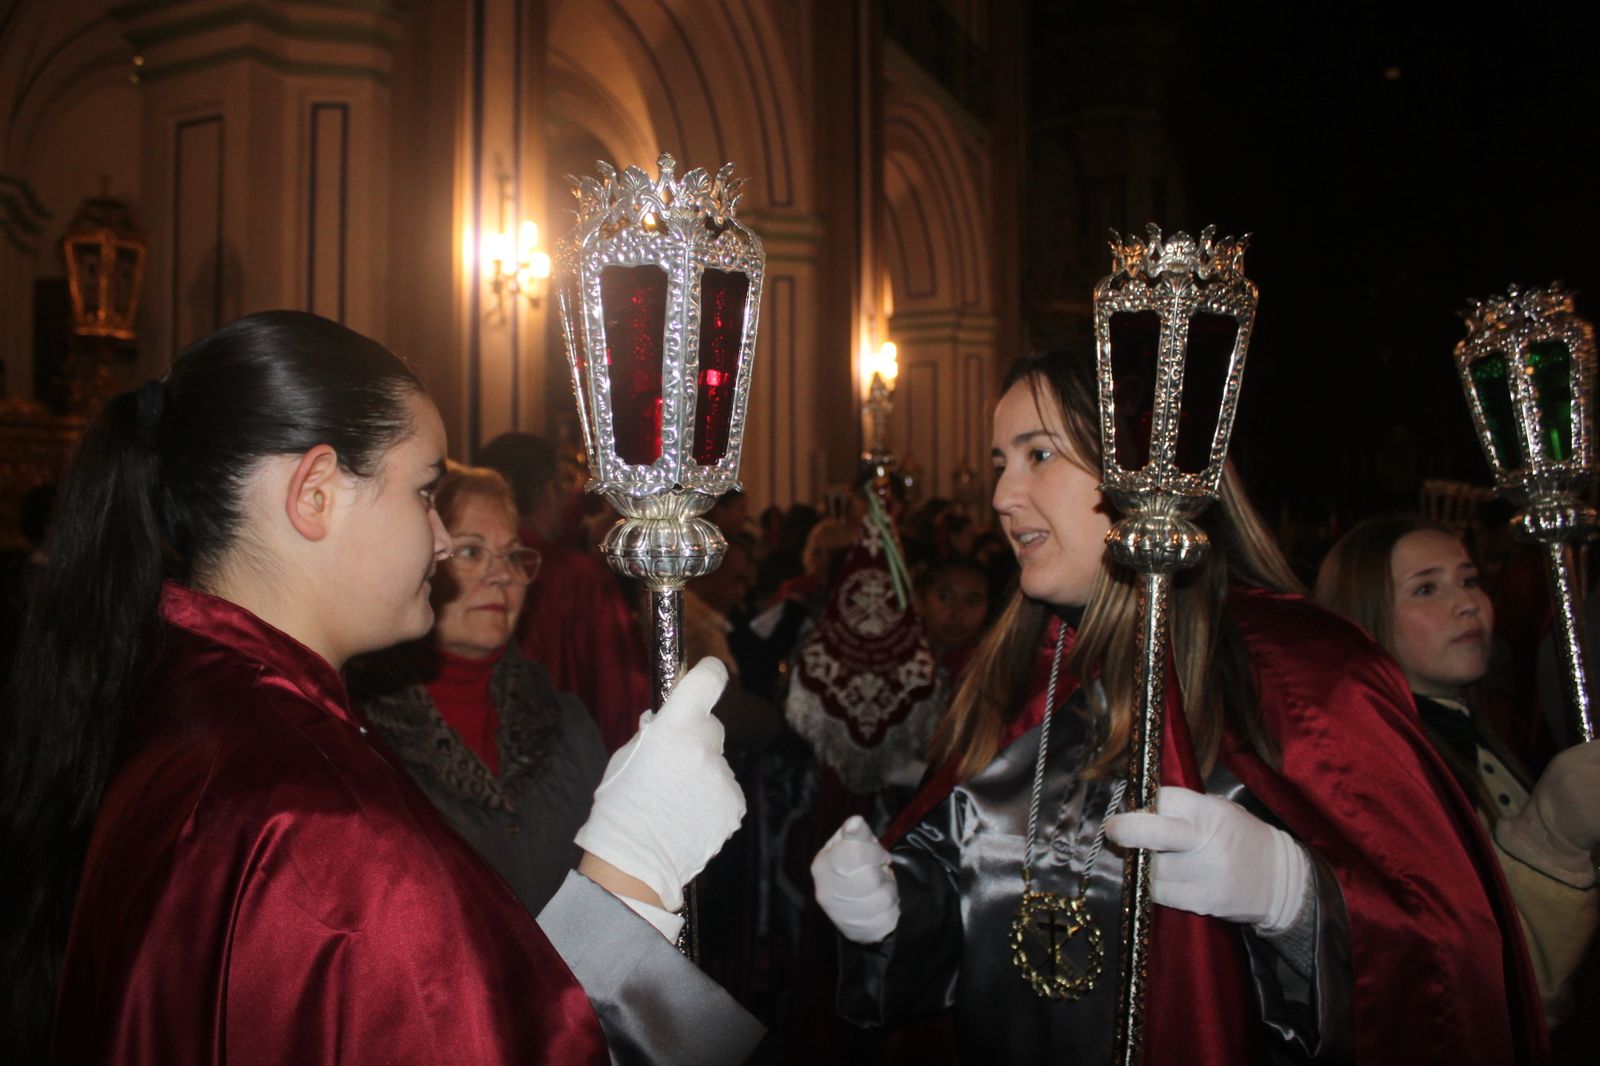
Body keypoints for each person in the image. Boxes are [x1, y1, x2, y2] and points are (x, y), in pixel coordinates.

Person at [0, 311, 751, 1064]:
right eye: (425, 490)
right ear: (317, 492)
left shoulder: (178, 694)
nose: (436, 539)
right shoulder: (320, 818)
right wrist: (629, 874)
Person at [810, 348, 1545, 1064]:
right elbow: (973, 902)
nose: (1002, 496)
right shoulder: (1024, 672)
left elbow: (1448, 965)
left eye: (1038, 455)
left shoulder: (1305, 674)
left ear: (1143, 466)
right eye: (1001, 462)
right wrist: (899, 912)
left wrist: (1297, 902)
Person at [1316, 515, 1599, 1026]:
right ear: (1364, 618)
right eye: (1426, 588)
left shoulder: (1483, 734)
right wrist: (1552, 840)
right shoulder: (1384, 777)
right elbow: (1460, 983)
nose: (1468, 603)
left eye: (1469, 580)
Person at [476, 432, 652, 752]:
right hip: (575, 765)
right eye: (562, 488)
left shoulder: (464, 572)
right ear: (547, 491)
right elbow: (621, 698)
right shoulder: (582, 581)